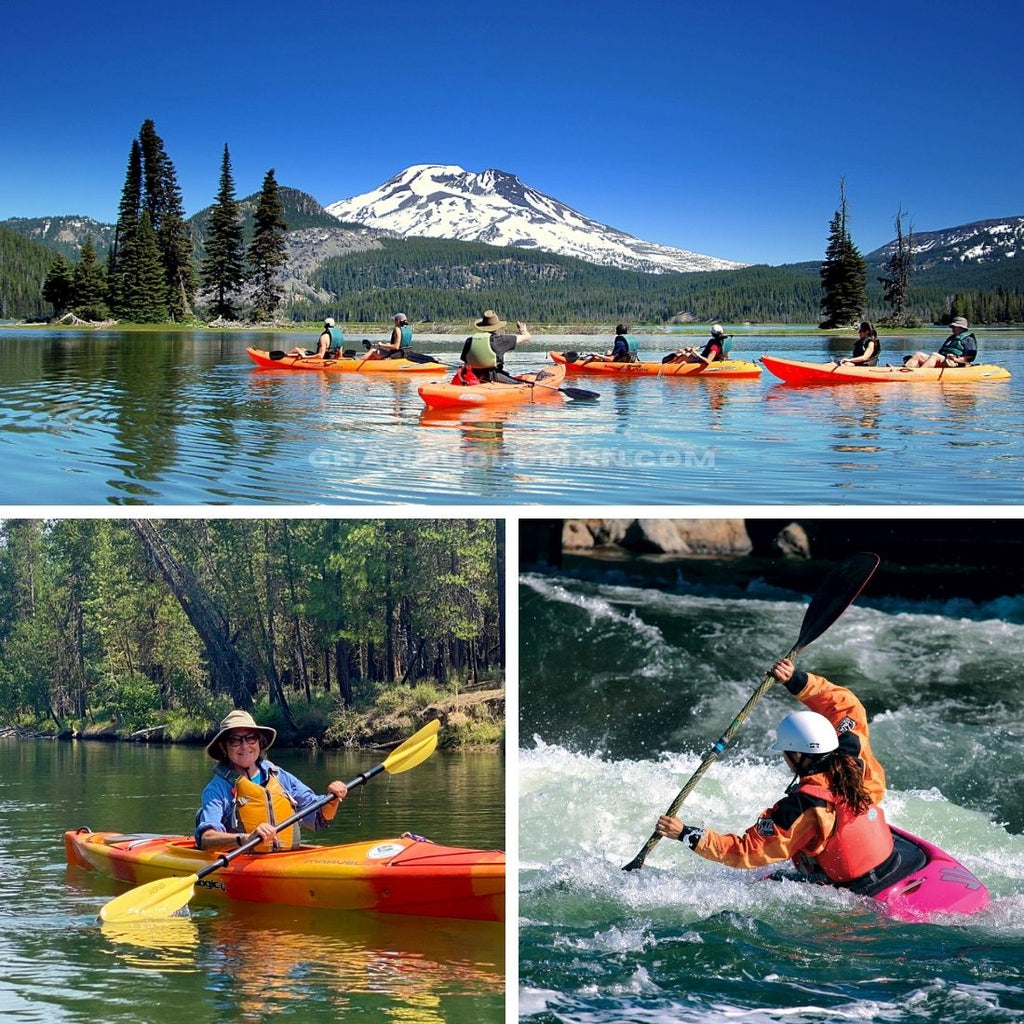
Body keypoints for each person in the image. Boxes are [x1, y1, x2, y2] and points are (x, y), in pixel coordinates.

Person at [654, 658, 924, 898]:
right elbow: (847, 706)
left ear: (798, 757)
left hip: (857, 891)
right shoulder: (854, 754)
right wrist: (797, 680)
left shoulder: (801, 807)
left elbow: (747, 852)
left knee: (770, 877)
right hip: (894, 862)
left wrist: (686, 834)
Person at [195, 709, 348, 852]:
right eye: (235, 740)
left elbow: (318, 819)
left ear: (259, 742)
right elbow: (206, 839)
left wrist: (332, 800)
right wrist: (246, 839)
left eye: (251, 738)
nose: (245, 746)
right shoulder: (216, 789)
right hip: (241, 865)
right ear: (223, 747)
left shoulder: (279, 776)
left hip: (288, 860)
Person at [459, 309, 531, 383]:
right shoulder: (500, 340)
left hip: (472, 376)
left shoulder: (469, 340)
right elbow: (527, 337)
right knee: (521, 384)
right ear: (497, 327)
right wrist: (523, 330)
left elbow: (465, 362)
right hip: (493, 377)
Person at [902, 316, 978, 369]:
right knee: (918, 354)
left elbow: (969, 358)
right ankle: (905, 370)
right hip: (944, 360)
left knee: (935, 355)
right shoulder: (951, 338)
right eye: (952, 327)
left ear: (962, 328)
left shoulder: (968, 339)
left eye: (955, 327)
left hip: (955, 363)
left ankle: (920, 373)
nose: (952, 329)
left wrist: (955, 359)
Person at [664, 324, 731, 365]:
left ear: (712, 333)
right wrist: (692, 350)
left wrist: (696, 353)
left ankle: (670, 366)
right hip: (706, 359)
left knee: (684, 355)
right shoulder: (721, 341)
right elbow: (726, 354)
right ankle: (671, 362)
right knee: (683, 351)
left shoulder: (714, 347)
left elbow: (708, 361)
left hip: (702, 361)